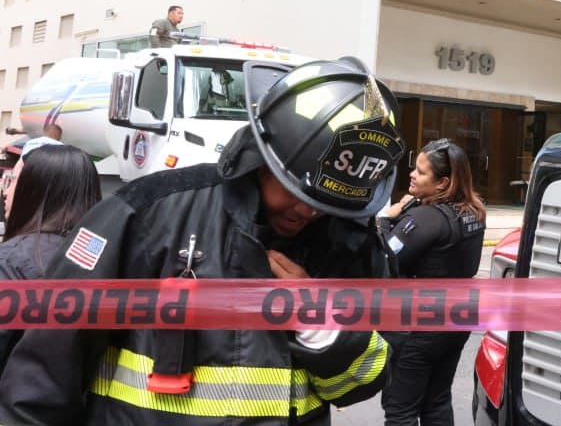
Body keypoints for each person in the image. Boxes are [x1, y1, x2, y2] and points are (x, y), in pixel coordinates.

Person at [0, 57, 408, 426]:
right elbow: (44, 376)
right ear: (262, 157)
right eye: (296, 193)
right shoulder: (146, 214)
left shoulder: (348, 243)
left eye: (325, 205)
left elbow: (359, 386)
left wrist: (321, 328)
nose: (307, 213)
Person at [379, 138, 486, 426]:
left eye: (421, 172)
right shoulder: (474, 212)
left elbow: (387, 256)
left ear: (442, 183)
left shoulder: (426, 219)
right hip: (458, 319)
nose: (412, 175)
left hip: (421, 325)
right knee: (437, 401)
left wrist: (387, 219)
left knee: (400, 409)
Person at [0, 145, 102, 371]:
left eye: (13, 180)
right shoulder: (105, 255)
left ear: (34, 189)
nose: (5, 192)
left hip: (20, 398)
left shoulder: (12, 259)